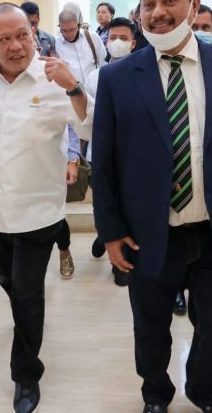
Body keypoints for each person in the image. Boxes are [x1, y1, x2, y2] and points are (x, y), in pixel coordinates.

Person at [92, 0, 212, 413]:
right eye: (148, 3)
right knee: (150, 328)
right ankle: (156, 394)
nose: (158, 12)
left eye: (169, 0)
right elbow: (106, 163)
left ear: (194, 5)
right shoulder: (117, 78)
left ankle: (204, 391)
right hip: (148, 232)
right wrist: (110, 231)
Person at [0, 2, 93, 413]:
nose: (16, 45)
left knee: (26, 291)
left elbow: (90, 126)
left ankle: (25, 374)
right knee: (10, 284)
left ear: (34, 35)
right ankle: (26, 318)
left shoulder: (54, 78)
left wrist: (74, 87)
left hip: (38, 212)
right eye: (5, 38)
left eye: (23, 35)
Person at [84, 16, 136, 286]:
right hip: (100, 157)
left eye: (123, 38)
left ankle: (120, 264)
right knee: (103, 201)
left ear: (133, 43)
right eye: (113, 38)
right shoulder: (95, 77)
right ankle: (103, 232)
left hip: (131, 158)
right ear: (105, 41)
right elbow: (85, 117)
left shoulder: (143, 76)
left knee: (127, 206)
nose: (117, 42)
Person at [172, 2, 212, 316]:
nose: (200, 31)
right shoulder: (125, 75)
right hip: (161, 223)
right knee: (151, 333)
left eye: (206, 27)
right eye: (195, 25)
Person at [54, 126, 81, 279]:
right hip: (21, 168)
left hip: (53, 165)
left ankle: (64, 250)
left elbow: (70, 127)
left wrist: (72, 160)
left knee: (56, 215)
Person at [55, 6, 107, 84]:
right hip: (71, 90)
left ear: (79, 26)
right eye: (64, 30)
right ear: (60, 27)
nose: (69, 34)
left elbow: (103, 64)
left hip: (94, 88)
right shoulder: (56, 43)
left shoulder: (92, 37)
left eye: (72, 30)